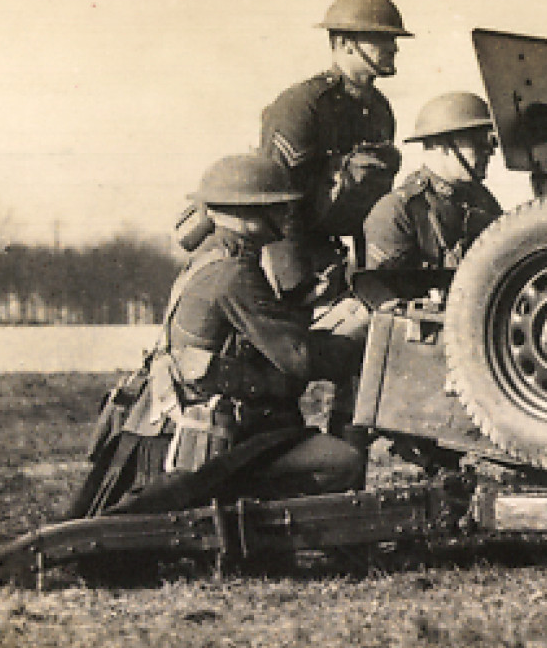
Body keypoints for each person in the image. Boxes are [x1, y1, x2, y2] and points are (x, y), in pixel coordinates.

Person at [66, 153, 366, 519]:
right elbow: (300, 359)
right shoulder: (234, 272)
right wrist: (359, 335)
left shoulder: (210, 257)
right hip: (209, 440)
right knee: (342, 461)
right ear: (248, 215)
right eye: (276, 206)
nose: (287, 216)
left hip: (175, 427)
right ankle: (248, 528)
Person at [257, 0, 410, 293]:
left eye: (393, 40)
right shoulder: (302, 105)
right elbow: (276, 201)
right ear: (343, 44)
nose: (393, 48)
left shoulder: (380, 110)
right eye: (380, 39)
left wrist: (371, 279)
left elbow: (372, 207)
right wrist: (295, 283)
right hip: (282, 254)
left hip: (331, 255)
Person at [361, 91, 504, 275]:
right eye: (476, 141)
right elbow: (386, 293)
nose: (489, 152)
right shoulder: (397, 211)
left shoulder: (483, 201)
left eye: (488, 142)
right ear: (441, 145)